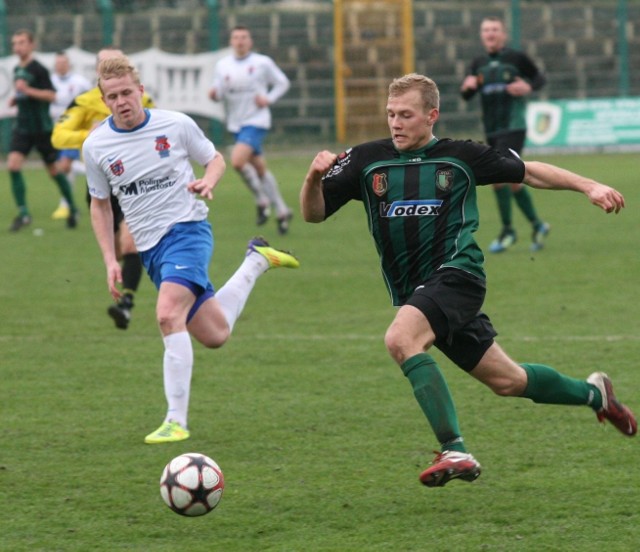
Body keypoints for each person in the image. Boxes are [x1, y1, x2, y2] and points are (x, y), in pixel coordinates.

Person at [300, 73, 635, 488]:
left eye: (406, 115)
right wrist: (313, 178)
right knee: (509, 381)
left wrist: (590, 185)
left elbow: (529, 172)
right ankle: (595, 395)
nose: (396, 123)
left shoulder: (460, 156)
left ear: (431, 116)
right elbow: (313, 214)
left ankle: (454, 447)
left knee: (401, 340)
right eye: (391, 114)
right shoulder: (366, 160)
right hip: (417, 291)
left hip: (458, 275)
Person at [83, 55, 300, 444]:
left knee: (167, 315)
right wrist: (109, 259)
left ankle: (175, 420)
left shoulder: (175, 124)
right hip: (150, 250)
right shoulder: (97, 145)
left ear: (141, 91)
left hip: (187, 231)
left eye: (127, 93)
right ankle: (256, 261)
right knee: (215, 333)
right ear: (103, 100)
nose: (121, 102)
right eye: (112, 96)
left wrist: (208, 181)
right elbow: (99, 205)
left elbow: (214, 159)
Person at [52, 46, 154, 330]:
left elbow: (159, 130)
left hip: (136, 184)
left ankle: (127, 305)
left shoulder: (141, 97)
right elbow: (59, 136)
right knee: (119, 252)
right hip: (101, 187)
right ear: (98, 72)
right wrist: (92, 135)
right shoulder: (84, 102)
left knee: (130, 242)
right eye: (106, 64)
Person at [461, 16, 549, 253]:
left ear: (504, 34)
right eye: (486, 29)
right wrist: (466, 87)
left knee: (498, 176)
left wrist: (528, 87)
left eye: (495, 29)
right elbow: (467, 95)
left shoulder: (516, 58)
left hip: (514, 126)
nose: (490, 33)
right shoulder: (477, 63)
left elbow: (540, 78)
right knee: (512, 180)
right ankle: (538, 225)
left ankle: (508, 230)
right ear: (482, 35)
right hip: (492, 129)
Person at [209, 25, 294, 235]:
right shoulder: (222, 65)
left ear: (250, 41)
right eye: (236, 37)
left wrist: (268, 98)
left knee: (237, 161)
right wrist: (214, 94)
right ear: (231, 41)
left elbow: (282, 82)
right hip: (236, 123)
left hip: (257, 121)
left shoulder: (262, 62)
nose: (240, 41)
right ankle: (282, 210)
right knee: (259, 169)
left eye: (244, 37)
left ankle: (261, 200)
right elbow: (218, 90)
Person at [6, 30, 78, 231]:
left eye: (21, 42)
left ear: (31, 45)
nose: (17, 47)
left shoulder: (39, 69)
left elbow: (51, 95)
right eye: (15, 43)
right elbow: (22, 92)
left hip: (41, 128)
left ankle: (72, 208)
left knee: (54, 171)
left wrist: (27, 91)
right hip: (22, 127)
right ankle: (24, 213)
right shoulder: (16, 69)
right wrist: (16, 98)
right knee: (12, 166)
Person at [49, 50, 92, 221]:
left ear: (69, 64)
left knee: (64, 166)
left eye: (63, 62)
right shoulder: (50, 82)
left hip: (72, 130)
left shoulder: (80, 82)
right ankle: (66, 205)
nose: (60, 65)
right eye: (58, 63)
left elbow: (91, 101)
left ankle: (66, 205)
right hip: (55, 131)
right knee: (64, 168)